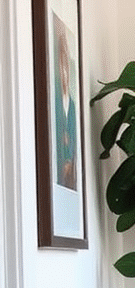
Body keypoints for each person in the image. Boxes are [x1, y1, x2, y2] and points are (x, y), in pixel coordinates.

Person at [53, 24, 78, 191]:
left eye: (66, 65)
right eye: (61, 65)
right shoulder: (54, 103)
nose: (64, 71)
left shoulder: (73, 106)